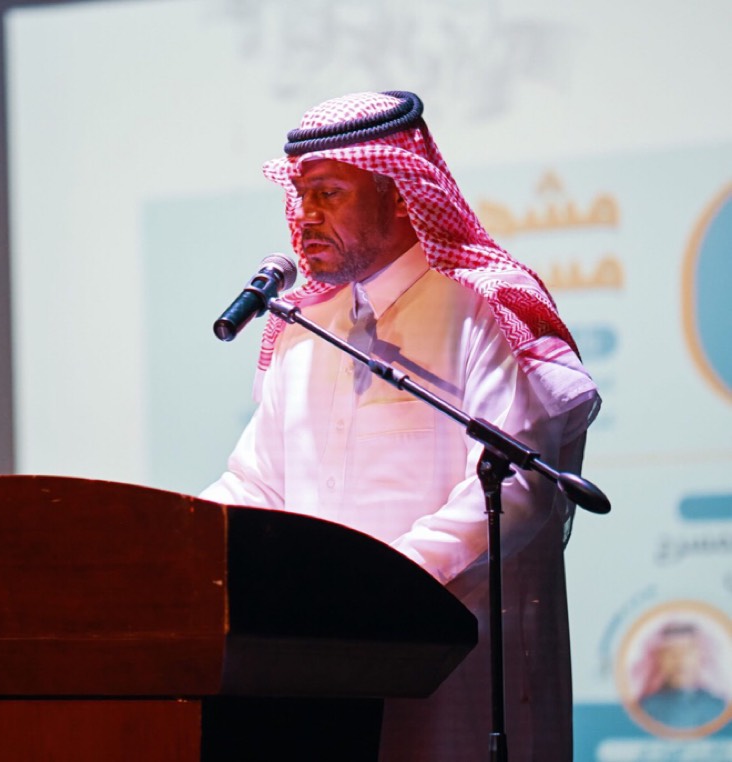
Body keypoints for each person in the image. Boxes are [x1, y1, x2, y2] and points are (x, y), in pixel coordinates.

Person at [201, 90, 601, 760]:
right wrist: (182, 546)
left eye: (329, 193)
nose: (306, 214)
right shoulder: (306, 327)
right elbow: (257, 485)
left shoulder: (484, 309)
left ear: (397, 192)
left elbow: (515, 488)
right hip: (320, 666)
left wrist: (386, 585)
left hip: (454, 661)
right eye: (301, 194)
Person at [635, 620, 728, 730]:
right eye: (670, 652)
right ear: (659, 659)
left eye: (688, 651)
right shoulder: (645, 709)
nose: (680, 659)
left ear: (702, 656)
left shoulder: (718, 707)